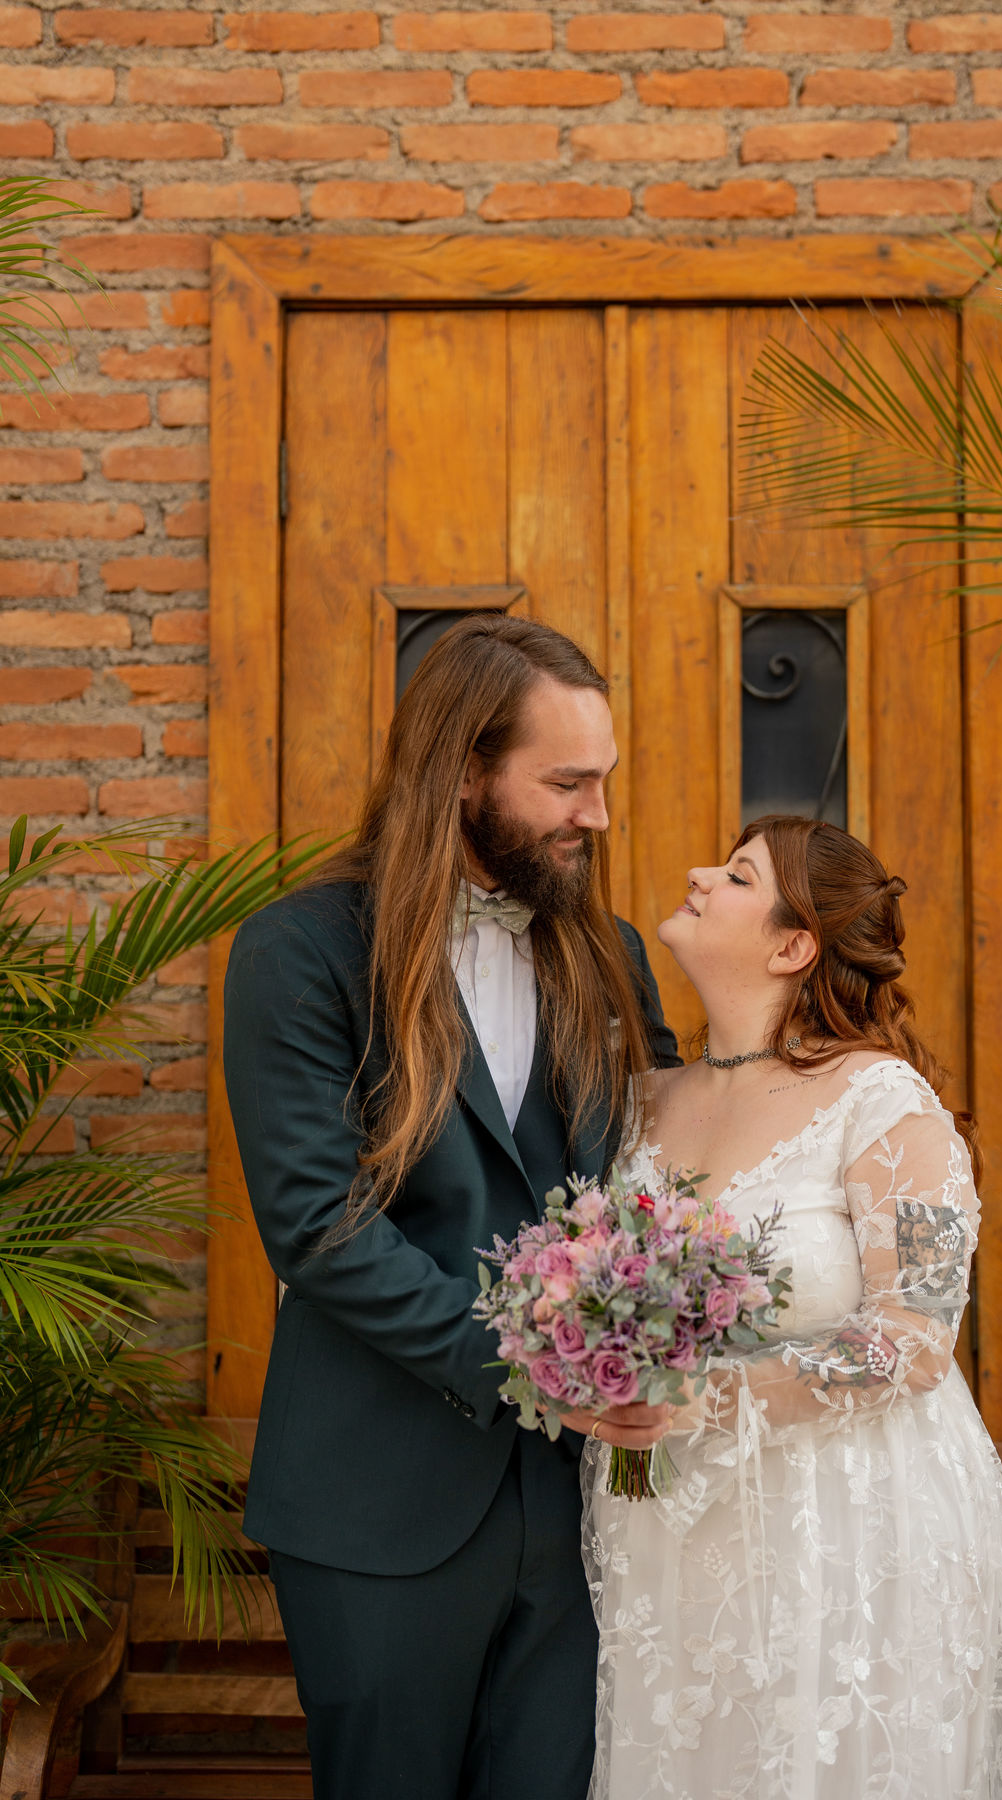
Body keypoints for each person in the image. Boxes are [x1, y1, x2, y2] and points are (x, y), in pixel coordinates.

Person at [222, 616, 679, 1800]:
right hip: (380, 1503)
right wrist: (536, 1364)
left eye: (604, 781)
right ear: (464, 771)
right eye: (567, 784)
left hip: (584, 1514)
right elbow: (320, 1226)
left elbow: (664, 1181)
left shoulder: (611, 955)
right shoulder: (300, 952)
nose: (598, 817)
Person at [585, 815, 1002, 1800]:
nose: (698, 875)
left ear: (793, 946)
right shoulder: (636, 1104)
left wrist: (712, 1397)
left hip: (845, 1527)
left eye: (736, 875)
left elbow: (916, 1337)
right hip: (668, 1526)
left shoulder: (885, 1103)